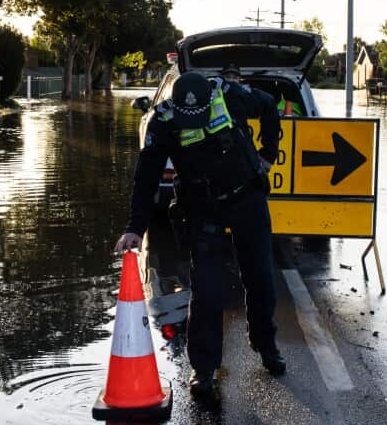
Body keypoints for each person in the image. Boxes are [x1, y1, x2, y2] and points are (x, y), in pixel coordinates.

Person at [114, 70, 286, 398]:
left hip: (246, 197)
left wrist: (269, 154)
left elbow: (268, 106)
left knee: (261, 279)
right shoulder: (163, 121)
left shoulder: (231, 96)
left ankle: (266, 346)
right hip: (202, 206)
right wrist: (135, 227)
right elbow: (146, 176)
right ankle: (204, 369)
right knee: (207, 290)